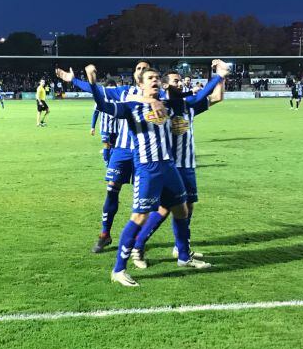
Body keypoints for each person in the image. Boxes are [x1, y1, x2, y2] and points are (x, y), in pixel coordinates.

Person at [88, 60, 229, 286]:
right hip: (147, 169)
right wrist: (93, 82)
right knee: (139, 216)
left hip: (170, 168)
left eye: (156, 78)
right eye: (150, 79)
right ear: (141, 85)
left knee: (182, 210)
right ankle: (118, 269)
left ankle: (184, 256)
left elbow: (199, 97)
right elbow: (104, 106)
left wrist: (218, 77)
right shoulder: (131, 108)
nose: (154, 81)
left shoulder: (169, 106)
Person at [129, 69, 225, 269]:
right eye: (175, 81)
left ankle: (181, 248)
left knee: (187, 207)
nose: (180, 84)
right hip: (171, 166)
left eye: (180, 81)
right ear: (165, 85)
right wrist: (218, 74)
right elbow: (134, 98)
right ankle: (138, 245)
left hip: (188, 164)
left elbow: (217, 97)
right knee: (164, 209)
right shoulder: (163, 106)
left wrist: (221, 78)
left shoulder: (188, 106)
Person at [56, 60, 152, 253]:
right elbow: (98, 91)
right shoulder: (124, 92)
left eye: (146, 69)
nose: (141, 71)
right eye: (138, 69)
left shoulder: (159, 95)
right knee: (111, 190)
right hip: (122, 150)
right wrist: (74, 80)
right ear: (134, 74)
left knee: (143, 199)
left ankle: (137, 242)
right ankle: (104, 234)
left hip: (146, 153)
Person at [90, 79, 118, 164]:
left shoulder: (118, 98)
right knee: (106, 145)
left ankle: (111, 162)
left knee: (113, 146)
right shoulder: (100, 99)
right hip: (104, 127)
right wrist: (92, 127)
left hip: (115, 129)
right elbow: (95, 113)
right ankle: (107, 164)